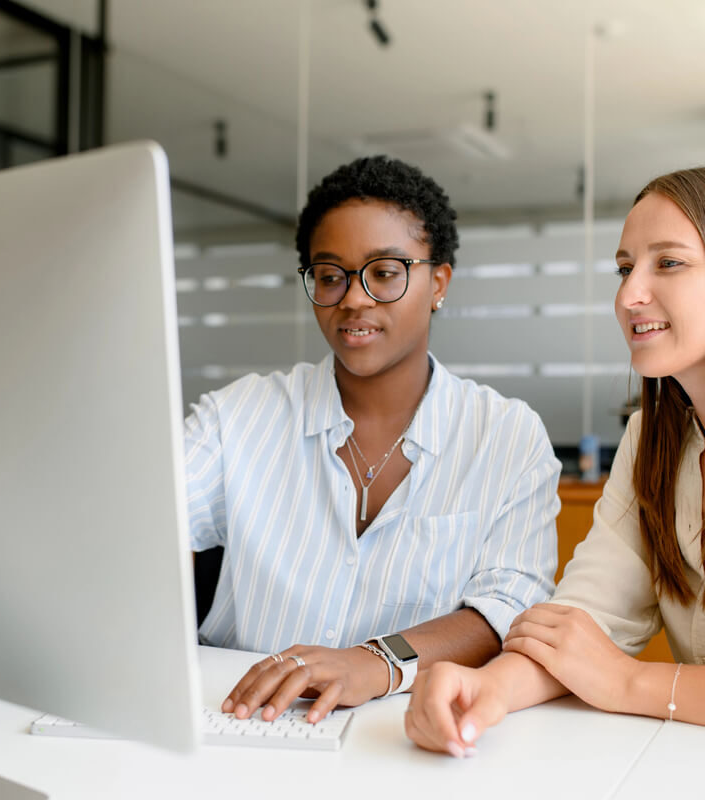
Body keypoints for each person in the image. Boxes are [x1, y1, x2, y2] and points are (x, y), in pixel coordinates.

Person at [185, 155, 561, 725]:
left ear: (438, 282)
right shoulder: (237, 417)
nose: (353, 298)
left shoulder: (505, 435)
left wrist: (375, 661)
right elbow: (135, 532)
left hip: (411, 732)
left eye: (384, 272)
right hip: (243, 719)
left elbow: (507, 609)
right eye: (330, 275)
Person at [405, 166, 705, 758]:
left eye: (667, 263)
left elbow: (602, 664)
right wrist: (486, 687)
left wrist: (626, 681)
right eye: (624, 269)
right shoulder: (655, 440)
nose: (628, 296)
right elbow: (583, 619)